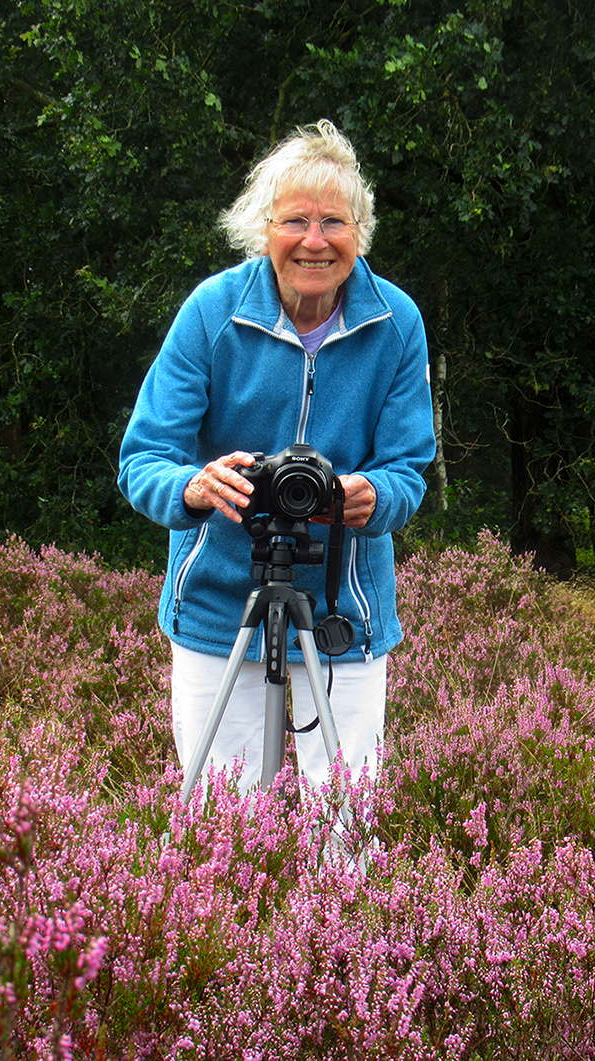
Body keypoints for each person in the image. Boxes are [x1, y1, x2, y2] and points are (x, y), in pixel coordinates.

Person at [117, 119, 436, 795]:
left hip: (341, 608)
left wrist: (370, 496)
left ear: (360, 232)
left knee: (344, 823)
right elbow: (143, 458)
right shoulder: (213, 312)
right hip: (215, 605)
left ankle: (340, 908)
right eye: (295, 220)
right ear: (261, 228)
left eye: (333, 222)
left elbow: (409, 468)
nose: (314, 241)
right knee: (219, 821)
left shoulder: (396, 322)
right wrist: (195, 487)